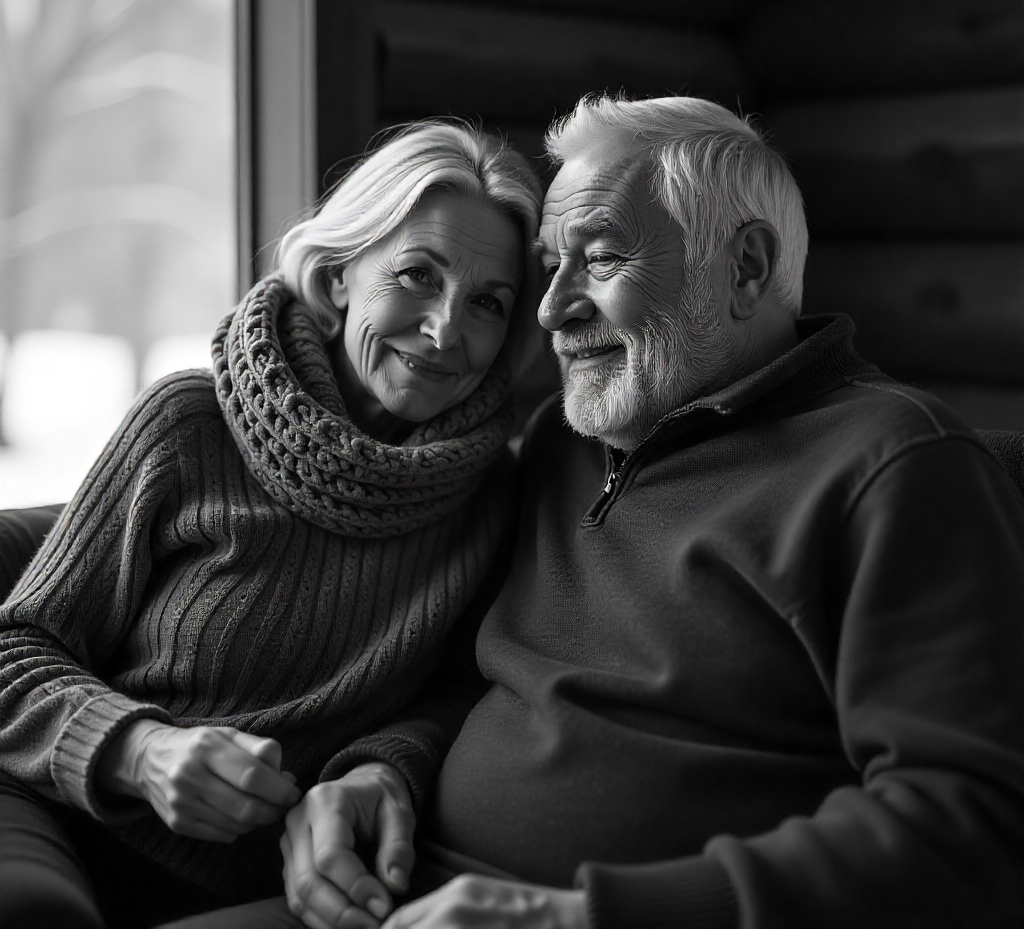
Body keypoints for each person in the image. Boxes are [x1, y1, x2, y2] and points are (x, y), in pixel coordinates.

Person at [188, 94, 1023, 929]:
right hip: (400, 895)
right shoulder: (560, 442)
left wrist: (581, 916)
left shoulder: (895, 466)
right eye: (551, 264)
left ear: (747, 270)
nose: (551, 309)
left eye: (600, 259)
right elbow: (469, 686)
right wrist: (379, 775)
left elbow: (966, 828)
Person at [0, 119, 544, 928]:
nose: (446, 332)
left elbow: (457, 696)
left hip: (287, 888)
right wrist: (139, 752)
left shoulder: (491, 493)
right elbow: (15, 649)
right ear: (335, 281)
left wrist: (380, 772)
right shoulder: (188, 425)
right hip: (68, 827)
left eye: (489, 304)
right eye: (417, 276)